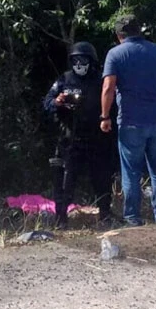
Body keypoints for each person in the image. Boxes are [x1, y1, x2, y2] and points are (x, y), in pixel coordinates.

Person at [100, 14, 156, 226]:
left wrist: (105, 116)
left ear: (119, 35)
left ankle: (133, 218)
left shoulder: (115, 54)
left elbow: (108, 87)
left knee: (131, 172)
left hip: (130, 122)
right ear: (139, 31)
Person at [43, 41, 115, 229]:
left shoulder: (100, 81)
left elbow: (113, 104)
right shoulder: (64, 80)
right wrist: (58, 102)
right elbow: (47, 103)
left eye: (83, 60)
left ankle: (105, 214)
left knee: (102, 178)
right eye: (75, 60)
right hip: (70, 139)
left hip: (97, 138)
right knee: (65, 180)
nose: (79, 64)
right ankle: (60, 218)